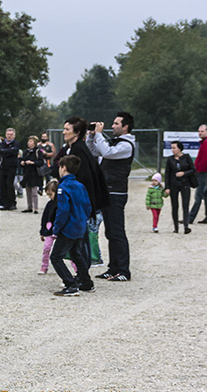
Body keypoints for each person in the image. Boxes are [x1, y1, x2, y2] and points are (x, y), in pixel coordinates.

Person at [52, 117, 109, 270]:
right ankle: (83, 276)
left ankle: (84, 275)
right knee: (79, 242)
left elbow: (84, 178)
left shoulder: (79, 149)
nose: (64, 132)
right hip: (80, 201)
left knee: (81, 241)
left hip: (80, 202)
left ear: (76, 132)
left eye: (67, 129)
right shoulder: (74, 147)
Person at [87, 113, 134, 281]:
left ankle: (123, 270)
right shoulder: (117, 143)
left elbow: (106, 152)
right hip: (107, 191)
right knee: (110, 232)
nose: (112, 126)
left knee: (117, 232)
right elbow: (94, 151)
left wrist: (99, 134)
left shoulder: (127, 145)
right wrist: (91, 136)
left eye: (116, 123)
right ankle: (113, 268)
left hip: (117, 192)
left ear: (125, 126)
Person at [50, 155, 94, 297]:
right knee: (76, 253)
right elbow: (88, 206)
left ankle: (70, 283)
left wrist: (56, 228)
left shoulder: (63, 187)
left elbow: (63, 210)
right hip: (80, 225)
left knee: (56, 257)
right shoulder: (80, 186)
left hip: (68, 227)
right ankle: (86, 282)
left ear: (63, 168)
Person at [165, 141, 195, 234]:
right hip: (174, 185)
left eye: (174, 148)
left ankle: (186, 226)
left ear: (179, 148)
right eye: (172, 148)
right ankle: (176, 227)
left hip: (185, 184)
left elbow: (193, 169)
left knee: (185, 205)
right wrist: (167, 187)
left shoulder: (187, 157)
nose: (172, 150)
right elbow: (167, 174)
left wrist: (184, 173)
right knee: (174, 206)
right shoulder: (170, 159)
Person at [188, 124, 207, 224]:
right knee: (206, 195)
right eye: (199, 131)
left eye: (202, 131)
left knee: (198, 195)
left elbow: (205, 160)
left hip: (204, 172)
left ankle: (190, 218)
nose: (200, 133)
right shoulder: (206, 142)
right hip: (206, 171)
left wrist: (197, 170)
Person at [38, 180, 59, 275]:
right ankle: (44, 266)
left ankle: (76, 269)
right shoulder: (49, 204)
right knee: (46, 248)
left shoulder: (62, 203)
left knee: (68, 251)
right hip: (49, 230)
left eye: (51, 194)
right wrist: (42, 231)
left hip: (60, 231)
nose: (50, 197)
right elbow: (44, 218)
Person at [20, 136, 44, 214]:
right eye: (28, 141)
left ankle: (35, 207)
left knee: (34, 191)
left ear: (35, 143)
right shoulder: (25, 152)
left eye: (31, 141)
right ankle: (29, 206)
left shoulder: (38, 151)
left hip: (34, 173)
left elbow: (41, 162)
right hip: (27, 173)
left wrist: (33, 162)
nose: (29, 143)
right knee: (27, 191)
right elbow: (22, 160)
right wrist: (22, 163)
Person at [0, 128, 20, 210]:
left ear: (14, 135)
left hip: (11, 167)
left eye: (11, 135)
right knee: (2, 184)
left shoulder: (15, 144)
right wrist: (7, 151)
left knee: (9, 184)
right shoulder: (2, 143)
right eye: (8, 134)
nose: (9, 136)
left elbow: (13, 152)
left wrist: (5, 152)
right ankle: (3, 202)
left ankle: (12, 203)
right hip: (3, 166)